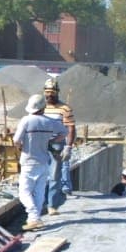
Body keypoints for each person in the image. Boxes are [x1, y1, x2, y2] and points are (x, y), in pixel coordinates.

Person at [11, 94, 68, 231]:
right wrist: (52, 141)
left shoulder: (26, 120)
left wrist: (21, 146)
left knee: (24, 192)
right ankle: (35, 219)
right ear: (43, 107)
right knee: (39, 192)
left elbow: (16, 140)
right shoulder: (50, 121)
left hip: (29, 161)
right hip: (44, 162)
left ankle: (33, 216)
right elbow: (64, 132)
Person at [42, 76, 77, 213]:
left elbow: (71, 128)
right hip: (41, 145)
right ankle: (41, 203)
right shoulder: (40, 108)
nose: (50, 95)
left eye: (52, 92)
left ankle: (51, 205)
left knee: (54, 176)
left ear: (57, 92)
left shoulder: (65, 109)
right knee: (41, 175)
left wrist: (68, 147)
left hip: (56, 146)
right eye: (48, 92)